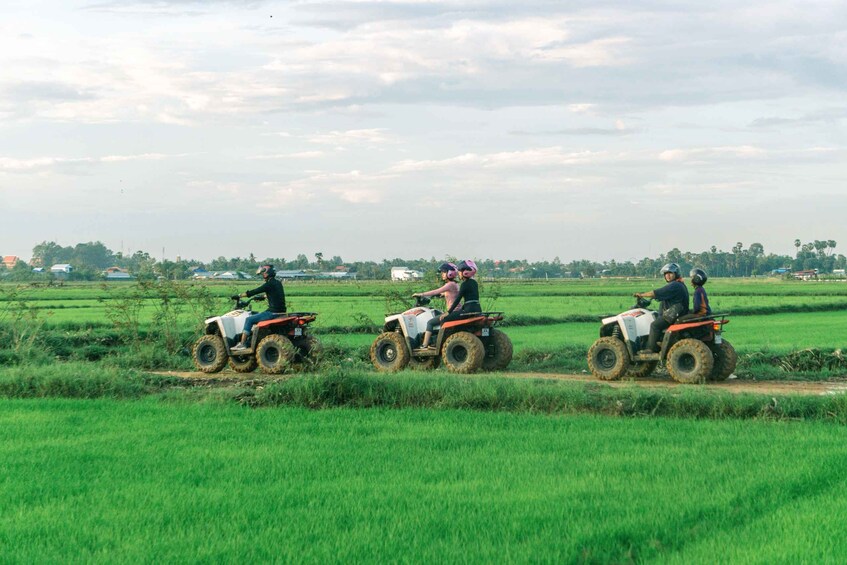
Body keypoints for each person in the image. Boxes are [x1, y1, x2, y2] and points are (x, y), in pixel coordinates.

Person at [634, 262, 689, 353]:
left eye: (670, 273)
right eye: (666, 274)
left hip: (674, 314)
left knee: (655, 325)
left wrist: (641, 294)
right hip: (677, 312)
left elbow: (656, 293)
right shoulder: (679, 284)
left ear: (676, 274)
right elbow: (659, 295)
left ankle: (650, 349)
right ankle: (659, 342)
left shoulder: (675, 285)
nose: (667, 276)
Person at [232, 265, 286, 351]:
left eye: (262, 274)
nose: (262, 276)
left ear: (266, 273)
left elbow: (254, 291)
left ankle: (242, 344)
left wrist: (239, 295)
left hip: (272, 312)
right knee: (258, 315)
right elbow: (275, 294)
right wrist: (263, 297)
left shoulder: (268, 284)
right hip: (281, 312)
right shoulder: (278, 283)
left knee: (249, 320)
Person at [413, 262, 460, 349]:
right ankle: (434, 341)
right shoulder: (455, 284)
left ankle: (424, 345)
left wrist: (421, 294)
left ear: (449, 273)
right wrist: (441, 295)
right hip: (457, 311)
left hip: (452, 312)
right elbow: (447, 293)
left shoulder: (449, 284)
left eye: (444, 272)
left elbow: (436, 291)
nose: (442, 274)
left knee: (430, 323)